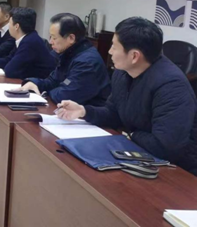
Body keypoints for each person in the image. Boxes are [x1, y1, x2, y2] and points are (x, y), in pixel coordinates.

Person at [56, 17, 197, 175]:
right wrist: (84, 111)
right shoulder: (122, 73)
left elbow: (165, 146)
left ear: (134, 56)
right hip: (139, 155)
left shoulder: (171, 87)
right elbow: (113, 113)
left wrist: (131, 135)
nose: (109, 51)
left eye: (114, 47)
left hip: (177, 171)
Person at [21, 13, 111, 106]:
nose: (51, 42)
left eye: (54, 38)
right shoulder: (68, 53)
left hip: (85, 113)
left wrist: (45, 93)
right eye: (50, 37)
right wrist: (33, 83)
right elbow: (52, 81)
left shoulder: (88, 62)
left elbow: (66, 96)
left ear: (71, 38)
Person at [0, 7, 56, 79]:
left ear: (16, 26)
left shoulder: (30, 42)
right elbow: (9, 59)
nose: (8, 26)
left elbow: (10, 71)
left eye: (10, 23)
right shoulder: (26, 38)